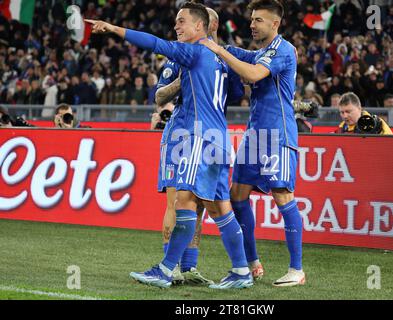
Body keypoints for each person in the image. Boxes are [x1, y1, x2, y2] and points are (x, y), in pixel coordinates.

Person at [86, 1, 252, 290]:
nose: (176, 27)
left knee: (184, 202)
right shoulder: (223, 58)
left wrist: (113, 28)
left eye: (181, 21)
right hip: (220, 139)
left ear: (199, 26)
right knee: (220, 209)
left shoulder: (194, 51)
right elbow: (237, 91)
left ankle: (164, 270)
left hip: (197, 138)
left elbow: (153, 43)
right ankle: (241, 270)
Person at [200, 0, 305, 287]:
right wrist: (213, 37)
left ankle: (296, 270)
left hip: (278, 136)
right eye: (251, 19)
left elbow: (252, 74)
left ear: (275, 23)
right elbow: (237, 54)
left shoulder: (282, 50)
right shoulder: (263, 52)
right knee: (237, 195)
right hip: (255, 135)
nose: (252, 24)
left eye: (258, 20)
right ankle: (252, 262)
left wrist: (219, 49)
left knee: (283, 196)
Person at [149, 7, 226, 287]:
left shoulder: (218, 57)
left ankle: (189, 267)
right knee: (176, 201)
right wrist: (183, 80)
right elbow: (159, 97)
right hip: (179, 136)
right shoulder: (179, 57)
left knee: (198, 206)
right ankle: (170, 268)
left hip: (203, 137)